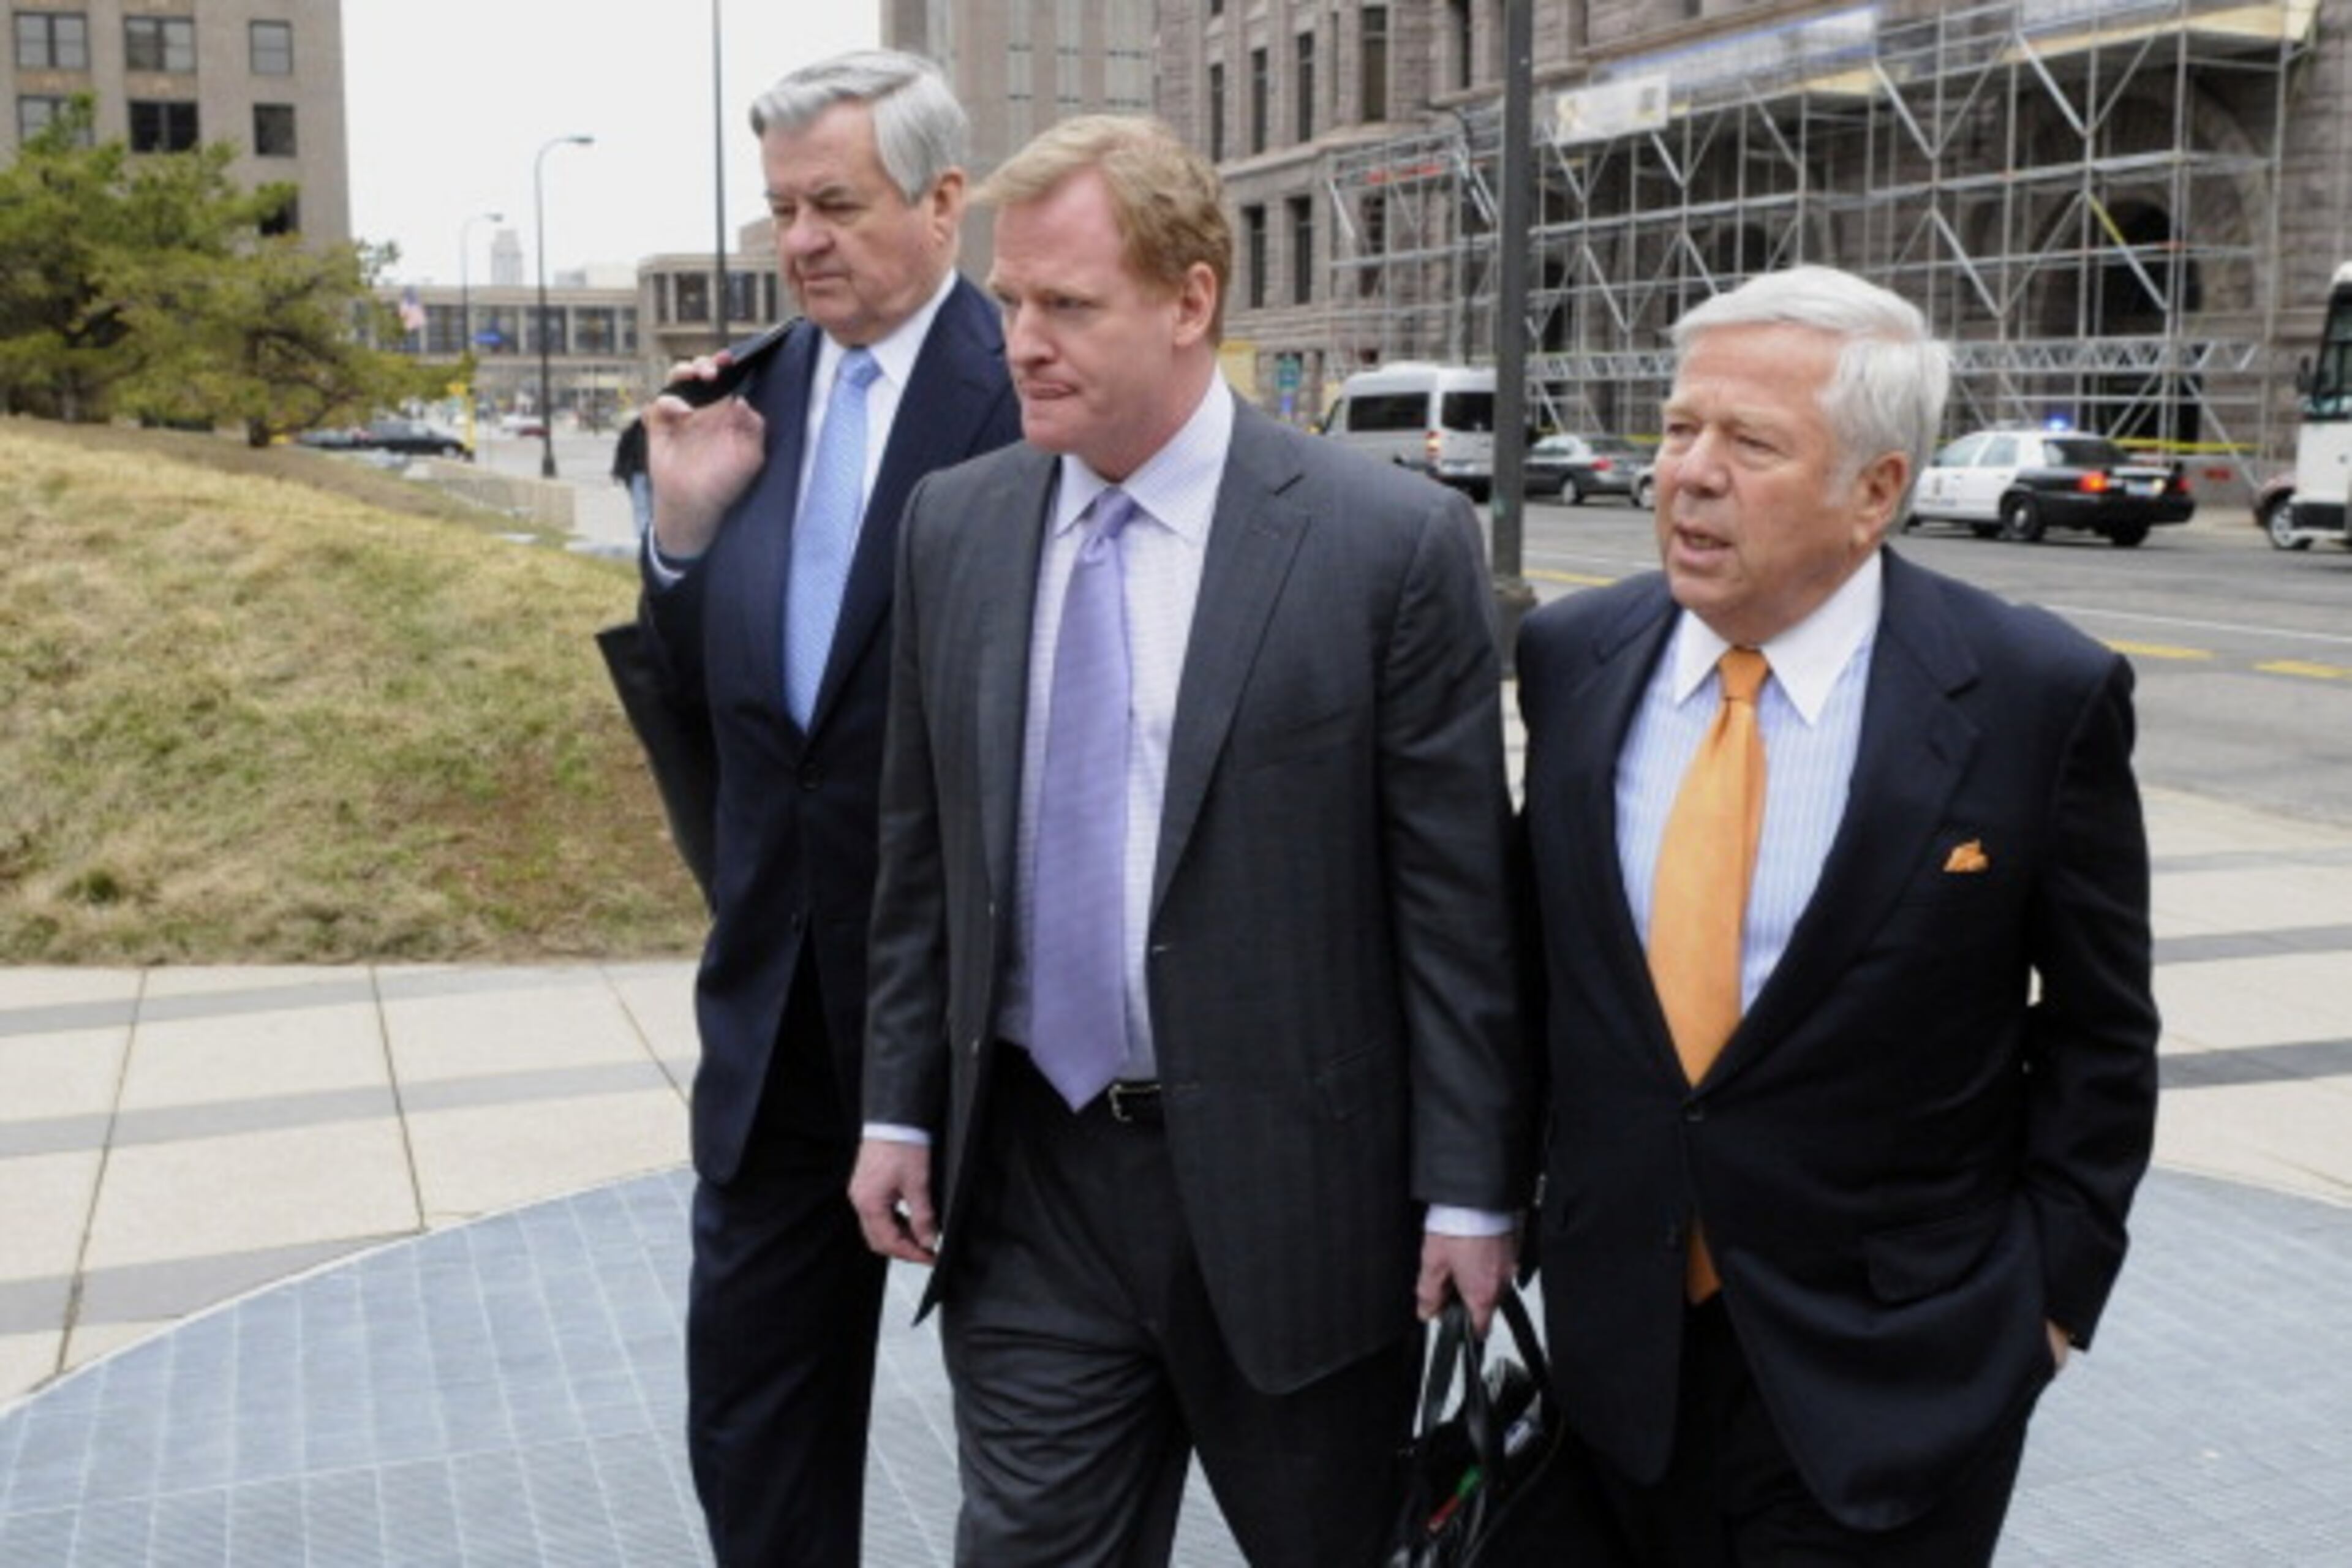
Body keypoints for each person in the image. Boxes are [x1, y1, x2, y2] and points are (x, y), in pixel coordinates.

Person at [848, 115, 1527, 1566]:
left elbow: (1454, 903)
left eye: (1068, 305)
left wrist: (1473, 1188)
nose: (1020, 340)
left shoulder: (1381, 542)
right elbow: (922, 852)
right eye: (1010, 302)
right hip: (1027, 1182)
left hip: (1300, 1203)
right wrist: (896, 1104)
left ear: (1191, 299)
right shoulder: (953, 527)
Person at [1512, 265, 2160, 1566]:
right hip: (1616, 1362)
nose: (1687, 474)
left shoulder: (2034, 695)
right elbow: (1539, 978)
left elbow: (2101, 1032)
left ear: (1876, 490)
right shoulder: (1576, 658)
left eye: (1750, 442)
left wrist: (2047, 1306)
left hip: (1897, 1380)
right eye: (1681, 425)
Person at [628, 48, 1020, 1568]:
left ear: (941, 201)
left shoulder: (1028, 394)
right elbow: (702, 715)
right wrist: (678, 535)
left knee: (1039, 1430)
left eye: (835, 204)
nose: (800, 240)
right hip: (780, 1014)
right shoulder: (734, 408)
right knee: (753, 1420)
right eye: (781, 207)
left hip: (985, 1022)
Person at [609, 415, 652, 537]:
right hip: (638, 475)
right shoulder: (632, 432)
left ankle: (651, 538)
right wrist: (617, 472)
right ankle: (643, 538)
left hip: (656, 477)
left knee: (654, 510)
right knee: (641, 508)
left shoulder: (661, 432)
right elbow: (621, 452)